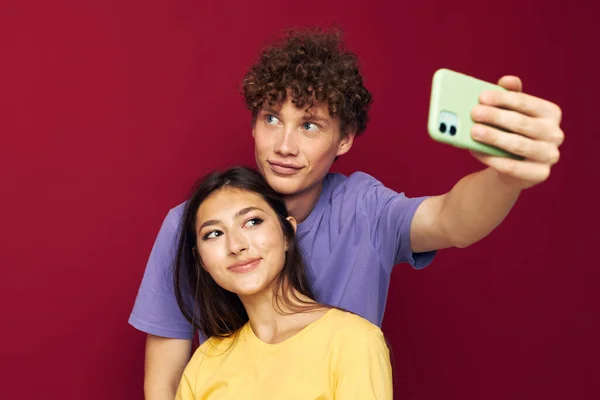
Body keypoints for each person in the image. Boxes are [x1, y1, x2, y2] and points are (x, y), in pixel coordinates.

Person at [129, 27, 564, 399]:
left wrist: (507, 176)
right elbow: (165, 382)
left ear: (345, 139)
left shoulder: (365, 209)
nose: (284, 145)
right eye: (271, 118)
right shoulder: (194, 224)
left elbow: (452, 220)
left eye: (310, 125)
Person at [172, 166, 392, 399]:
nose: (236, 245)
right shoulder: (206, 361)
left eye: (252, 221)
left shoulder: (353, 341)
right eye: (214, 234)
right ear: (202, 261)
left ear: (287, 234)